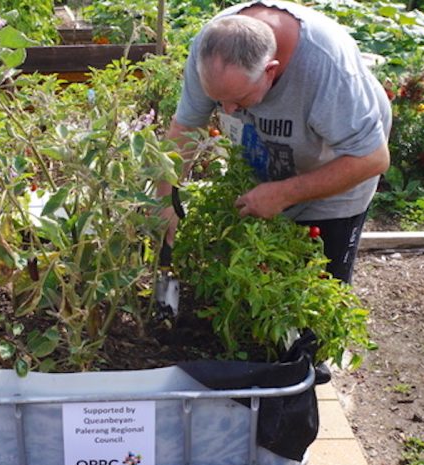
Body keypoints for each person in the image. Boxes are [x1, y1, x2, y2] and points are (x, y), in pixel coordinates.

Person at [158, 0, 392, 283]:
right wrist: (164, 202)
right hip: (271, 154)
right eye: (219, 100)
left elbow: (373, 158)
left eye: (239, 100)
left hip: (341, 161)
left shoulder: (327, 68)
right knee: (256, 273)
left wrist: (284, 193)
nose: (227, 110)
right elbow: (186, 126)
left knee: (319, 280)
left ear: (270, 71)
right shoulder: (211, 50)